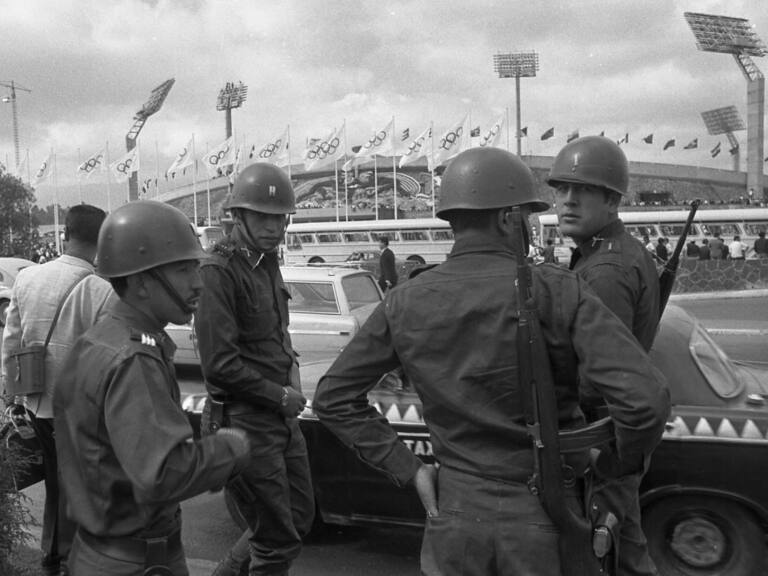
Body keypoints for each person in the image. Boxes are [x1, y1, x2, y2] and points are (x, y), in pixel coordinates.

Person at [313, 147, 670, 576]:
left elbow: (332, 397)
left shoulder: (404, 301)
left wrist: (408, 468)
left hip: (454, 517)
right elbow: (645, 401)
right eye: (529, 216)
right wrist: (613, 470)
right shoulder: (558, 290)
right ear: (509, 219)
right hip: (546, 519)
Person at [53, 201, 250, 576]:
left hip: (97, 550)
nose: (198, 282)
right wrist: (232, 448)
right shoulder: (134, 359)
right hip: (137, 561)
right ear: (141, 281)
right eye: (183, 269)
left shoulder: (100, 339)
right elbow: (164, 474)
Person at [547, 135, 662, 575]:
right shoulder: (613, 254)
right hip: (614, 435)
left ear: (612, 201)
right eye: (561, 189)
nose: (568, 201)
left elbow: (597, 376)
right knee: (626, 551)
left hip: (599, 437)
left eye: (584, 191)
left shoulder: (604, 270)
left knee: (601, 556)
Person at [194, 163, 314, 576]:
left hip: (278, 416)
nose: (276, 226)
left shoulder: (265, 262)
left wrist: (292, 368)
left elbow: (276, 334)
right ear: (238, 216)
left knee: (297, 517)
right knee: (275, 541)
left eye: (281, 217)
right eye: (264, 216)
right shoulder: (218, 271)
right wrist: (281, 395)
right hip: (245, 421)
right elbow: (220, 366)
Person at [1, 204, 107, 576]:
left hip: (36, 400)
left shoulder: (28, 278)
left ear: (66, 235)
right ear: (101, 239)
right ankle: (65, 558)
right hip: (81, 409)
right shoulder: (101, 289)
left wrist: (12, 396)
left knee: (56, 479)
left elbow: (12, 340)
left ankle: (53, 553)